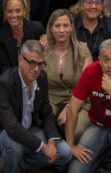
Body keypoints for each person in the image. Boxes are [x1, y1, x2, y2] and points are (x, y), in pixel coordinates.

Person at [0, 39, 73, 172]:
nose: (36, 69)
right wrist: (43, 147)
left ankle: (24, 162)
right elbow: (12, 127)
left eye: (40, 64)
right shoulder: (2, 84)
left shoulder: (42, 77)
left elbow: (47, 113)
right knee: (13, 146)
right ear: (20, 59)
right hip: (3, 132)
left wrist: (51, 141)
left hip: (29, 129)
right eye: (32, 63)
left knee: (65, 152)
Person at [67, 39, 111, 173]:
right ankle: (104, 157)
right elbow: (72, 108)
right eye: (106, 60)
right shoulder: (90, 71)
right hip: (98, 125)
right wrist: (71, 145)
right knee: (75, 171)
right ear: (99, 59)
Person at [44, 8, 92, 141]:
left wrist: (69, 108)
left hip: (78, 100)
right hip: (50, 98)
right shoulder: (43, 50)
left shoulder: (83, 51)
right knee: (41, 118)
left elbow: (86, 86)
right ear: (51, 28)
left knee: (75, 131)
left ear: (72, 28)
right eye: (57, 26)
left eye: (65, 25)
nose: (61, 30)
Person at [0, 0, 44, 72]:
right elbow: (4, 67)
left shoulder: (37, 28)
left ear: (24, 11)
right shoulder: (0, 36)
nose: (14, 15)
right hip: (12, 77)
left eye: (18, 11)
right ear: (5, 13)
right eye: (10, 11)